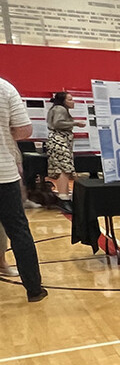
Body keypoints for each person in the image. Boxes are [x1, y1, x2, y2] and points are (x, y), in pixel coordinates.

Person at [0, 78, 46, 301]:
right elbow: (24, 130)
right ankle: (34, 289)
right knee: (18, 230)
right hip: (2, 172)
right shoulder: (5, 87)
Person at [45, 91, 85, 205]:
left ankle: (65, 193)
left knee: (63, 167)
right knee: (64, 168)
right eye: (70, 99)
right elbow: (58, 123)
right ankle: (63, 196)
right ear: (63, 101)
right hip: (59, 140)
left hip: (58, 140)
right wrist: (75, 123)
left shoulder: (56, 109)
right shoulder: (60, 109)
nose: (73, 102)